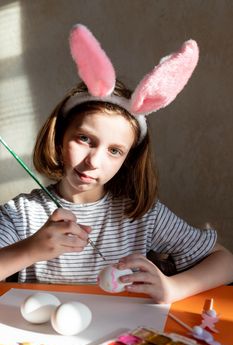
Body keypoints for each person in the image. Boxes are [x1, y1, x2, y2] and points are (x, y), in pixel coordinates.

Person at [0, 24, 232, 304]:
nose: (93, 161)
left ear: (127, 160)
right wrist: (30, 250)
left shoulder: (142, 214)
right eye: (84, 139)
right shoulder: (22, 214)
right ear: (60, 138)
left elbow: (225, 261)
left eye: (114, 150)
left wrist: (173, 288)